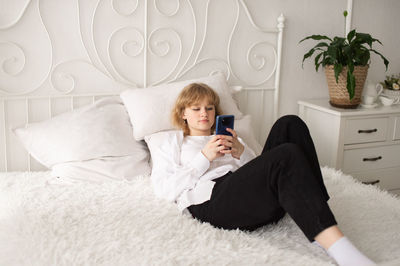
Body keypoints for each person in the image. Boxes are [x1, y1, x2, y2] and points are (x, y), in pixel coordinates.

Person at [148, 82, 375, 266]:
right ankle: (338, 248)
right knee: (286, 154)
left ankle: (317, 220)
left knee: (290, 123)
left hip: (246, 198)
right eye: (196, 108)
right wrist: (204, 158)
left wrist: (241, 152)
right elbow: (164, 189)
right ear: (183, 114)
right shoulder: (172, 143)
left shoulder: (230, 137)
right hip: (213, 202)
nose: (204, 114)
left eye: (209, 108)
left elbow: (264, 173)